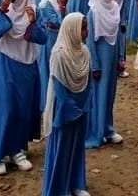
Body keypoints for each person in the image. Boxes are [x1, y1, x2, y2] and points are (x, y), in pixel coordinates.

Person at [0, 0, 46, 175]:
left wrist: (32, 22)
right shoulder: (5, 11)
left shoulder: (34, 11)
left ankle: (17, 150)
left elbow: (42, 38)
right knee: (6, 109)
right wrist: (2, 11)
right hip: (7, 63)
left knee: (23, 109)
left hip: (28, 65)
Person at [42, 12, 91, 196]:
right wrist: (73, 109)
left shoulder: (84, 52)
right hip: (64, 110)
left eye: (86, 27)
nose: (86, 32)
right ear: (72, 30)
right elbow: (60, 89)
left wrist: (84, 105)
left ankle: (75, 184)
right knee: (61, 148)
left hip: (81, 107)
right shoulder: (59, 55)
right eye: (83, 28)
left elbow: (87, 83)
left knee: (76, 147)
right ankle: (58, 189)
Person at [85, 0, 123, 148]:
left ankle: (108, 128)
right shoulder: (93, 12)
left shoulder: (114, 8)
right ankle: (97, 131)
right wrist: (95, 65)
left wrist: (120, 57)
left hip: (112, 57)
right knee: (99, 94)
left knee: (110, 93)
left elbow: (117, 35)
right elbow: (90, 41)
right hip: (100, 60)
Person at [38, 0, 71, 111]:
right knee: (48, 68)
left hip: (58, 39)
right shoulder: (46, 4)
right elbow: (58, 22)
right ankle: (46, 103)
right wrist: (62, 10)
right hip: (49, 40)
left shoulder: (58, 4)